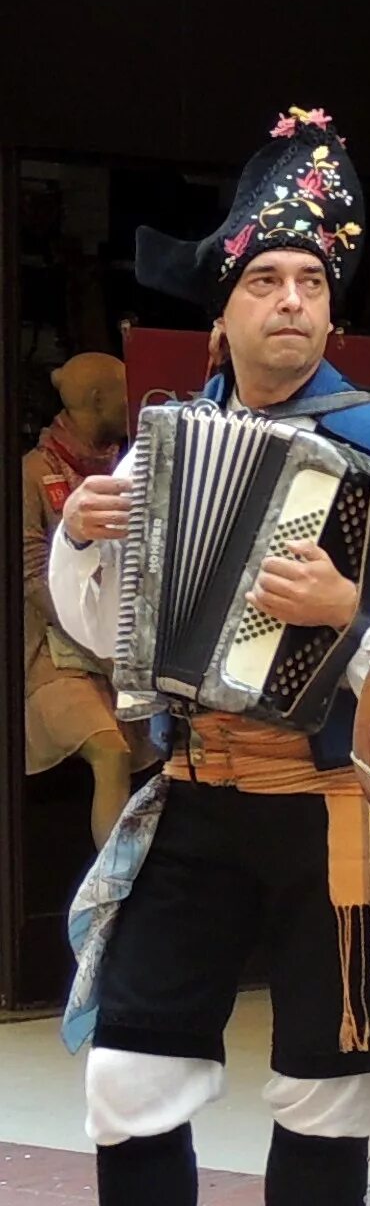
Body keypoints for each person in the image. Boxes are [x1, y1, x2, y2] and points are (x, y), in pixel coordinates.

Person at [9, 109, 370, 1206]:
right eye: (266, 282)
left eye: (312, 284)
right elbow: (102, 630)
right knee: (127, 1074)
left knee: (340, 1086)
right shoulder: (166, 442)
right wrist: (80, 542)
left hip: (350, 815)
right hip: (198, 793)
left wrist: (340, 612)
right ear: (222, 312)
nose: (291, 302)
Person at [20, 352, 146, 844]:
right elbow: (31, 576)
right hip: (54, 652)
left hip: (114, 648)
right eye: (122, 393)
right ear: (97, 400)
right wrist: (92, 641)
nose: (132, 403)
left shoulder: (126, 466)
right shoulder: (33, 471)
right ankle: (107, 896)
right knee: (110, 753)